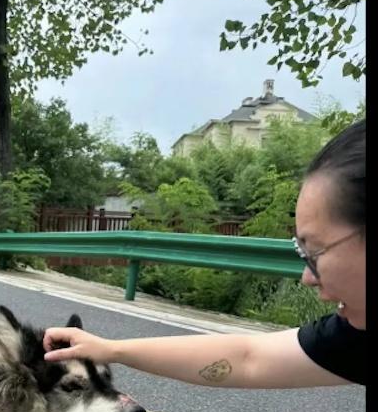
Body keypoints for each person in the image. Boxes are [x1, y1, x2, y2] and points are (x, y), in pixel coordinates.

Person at [43, 120, 365, 387]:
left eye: (314, 253)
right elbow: (248, 358)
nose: (307, 277)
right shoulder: (354, 337)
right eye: (301, 253)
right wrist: (110, 350)